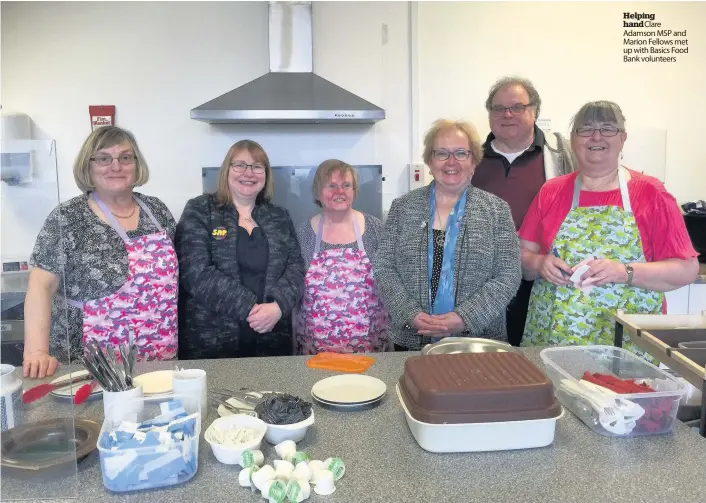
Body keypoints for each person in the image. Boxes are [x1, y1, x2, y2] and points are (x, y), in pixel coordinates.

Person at [519, 101, 699, 352]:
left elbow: (686, 270)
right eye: (586, 129)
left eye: (607, 128)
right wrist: (538, 263)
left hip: (624, 343)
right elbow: (521, 254)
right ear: (573, 139)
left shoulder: (649, 192)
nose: (596, 136)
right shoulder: (552, 191)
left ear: (623, 138)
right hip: (553, 338)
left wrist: (623, 272)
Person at [23, 126, 178, 378]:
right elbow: (41, 285)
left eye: (125, 157)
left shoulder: (157, 211)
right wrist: (36, 352)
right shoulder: (68, 217)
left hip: (158, 360)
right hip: (90, 365)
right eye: (104, 158)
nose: (116, 166)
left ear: (137, 165)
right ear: (88, 165)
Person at [373, 119, 522, 351]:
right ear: (430, 162)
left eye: (461, 153)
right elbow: (384, 267)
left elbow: (508, 274)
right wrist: (409, 313)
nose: (451, 162)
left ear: (474, 161)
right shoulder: (403, 207)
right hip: (412, 339)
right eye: (442, 153)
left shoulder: (496, 210)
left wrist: (465, 317)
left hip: (478, 342)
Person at [175, 140, 306, 359]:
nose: (249, 173)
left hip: (272, 339)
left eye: (257, 166)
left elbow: (296, 267)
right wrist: (249, 308)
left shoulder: (279, 216)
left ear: (265, 175)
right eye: (240, 165)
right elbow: (194, 271)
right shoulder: (200, 210)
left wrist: (278, 306)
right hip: (212, 344)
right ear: (227, 170)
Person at [472, 76, 576, 347]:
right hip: (483, 283)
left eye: (517, 107)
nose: (507, 114)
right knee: (486, 362)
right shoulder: (470, 158)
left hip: (541, 279)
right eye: (498, 108)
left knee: (534, 360)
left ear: (535, 112)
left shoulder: (561, 153)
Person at [294, 159, 388, 354]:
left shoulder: (375, 228)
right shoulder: (302, 233)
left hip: (370, 350)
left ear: (354, 191)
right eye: (332, 186)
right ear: (318, 192)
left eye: (346, 185)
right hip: (316, 352)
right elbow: (292, 286)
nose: (340, 192)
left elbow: (391, 280)